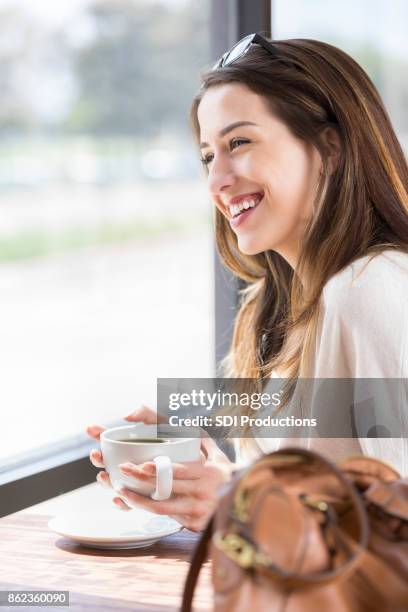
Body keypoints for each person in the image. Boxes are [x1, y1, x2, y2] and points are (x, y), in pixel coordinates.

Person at [87, 34, 408, 531]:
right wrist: (208, 475)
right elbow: (319, 495)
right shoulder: (274, 306)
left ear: (329, 148)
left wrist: (239, 500)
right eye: (207, 156)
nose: (216, 181)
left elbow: (399, 521)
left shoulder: (372, 289)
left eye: (239, 143)